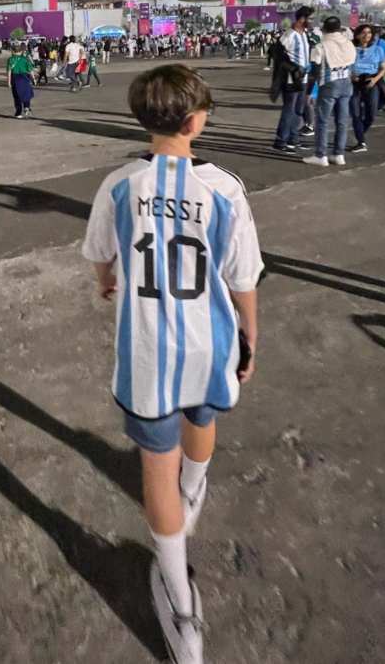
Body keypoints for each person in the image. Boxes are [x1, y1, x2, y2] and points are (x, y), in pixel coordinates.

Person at [82, 64, 260, 664]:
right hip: (210, 342)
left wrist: (111, 280)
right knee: (202, 422)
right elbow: (243, 278)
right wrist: (250, 340)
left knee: (153, 467)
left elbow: (102, 258)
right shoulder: (225, 188)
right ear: (195, 120)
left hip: (147, 351)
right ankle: (196, 488)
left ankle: (183, 611)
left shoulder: (118, 184)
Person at [302, 17, 355, 167]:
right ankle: (339, 154)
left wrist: (310, 92)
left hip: (329, 84)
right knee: (342, 121)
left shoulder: (321, 46)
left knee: (323, 121)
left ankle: (321, 155)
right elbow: (351, 65)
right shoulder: (348, 43)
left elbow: (314, 72)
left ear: (324, 29)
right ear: (339, 29)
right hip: (346, 83)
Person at [270, 7, 313, 153]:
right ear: (302, 19)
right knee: (289, 110)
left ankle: (293, 139)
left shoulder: (304, 34)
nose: (312, 21)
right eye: (310, 18)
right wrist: (292, 68)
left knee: (298, 110)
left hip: (304, 78)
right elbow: (277, 53)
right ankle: (280, 140)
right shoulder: (289, 35)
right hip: (291, 79)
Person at [349, 24, 385, 152]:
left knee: (371, 114)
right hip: (355, 83)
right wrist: (351, 76)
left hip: (371, 82)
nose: (367, 35)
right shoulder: (351, 48)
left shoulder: (378, 49)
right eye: (364, 32)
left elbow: (383, 68)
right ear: (357, 35)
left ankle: (360, 132)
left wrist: (375, 79)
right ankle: (361, 141)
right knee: (355, 114)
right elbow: (345, 66)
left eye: (369, 33)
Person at [6, 44, 36, 118]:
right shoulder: (25, 59)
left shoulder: (10, 59)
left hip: (15, 78)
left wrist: (9, 82)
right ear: (21, 51)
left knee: (17, 96)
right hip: (25, 77)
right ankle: (26, 107)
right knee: (26, 94)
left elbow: (9, 71)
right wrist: (34, 79)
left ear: (13, 51)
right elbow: (31, 70)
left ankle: (18, 112)